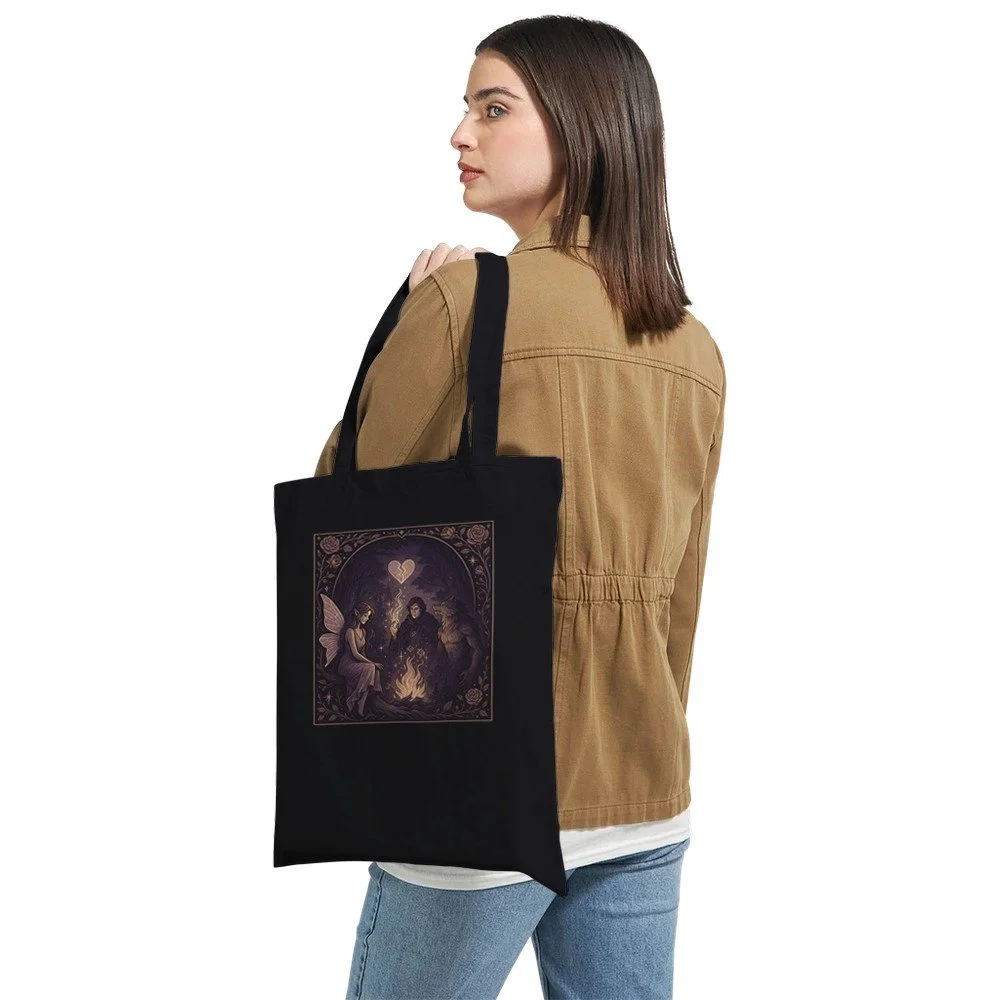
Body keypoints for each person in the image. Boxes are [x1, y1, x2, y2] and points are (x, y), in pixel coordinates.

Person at [315, 15, 726, 999]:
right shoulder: (691, 346)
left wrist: (410, 323)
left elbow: (341, 515)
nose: (461, 133)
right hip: (644, 783)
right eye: (465, 108)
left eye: (492, 108)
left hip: (483, 790)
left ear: (584, 127)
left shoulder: (464, 303)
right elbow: (681, 595)